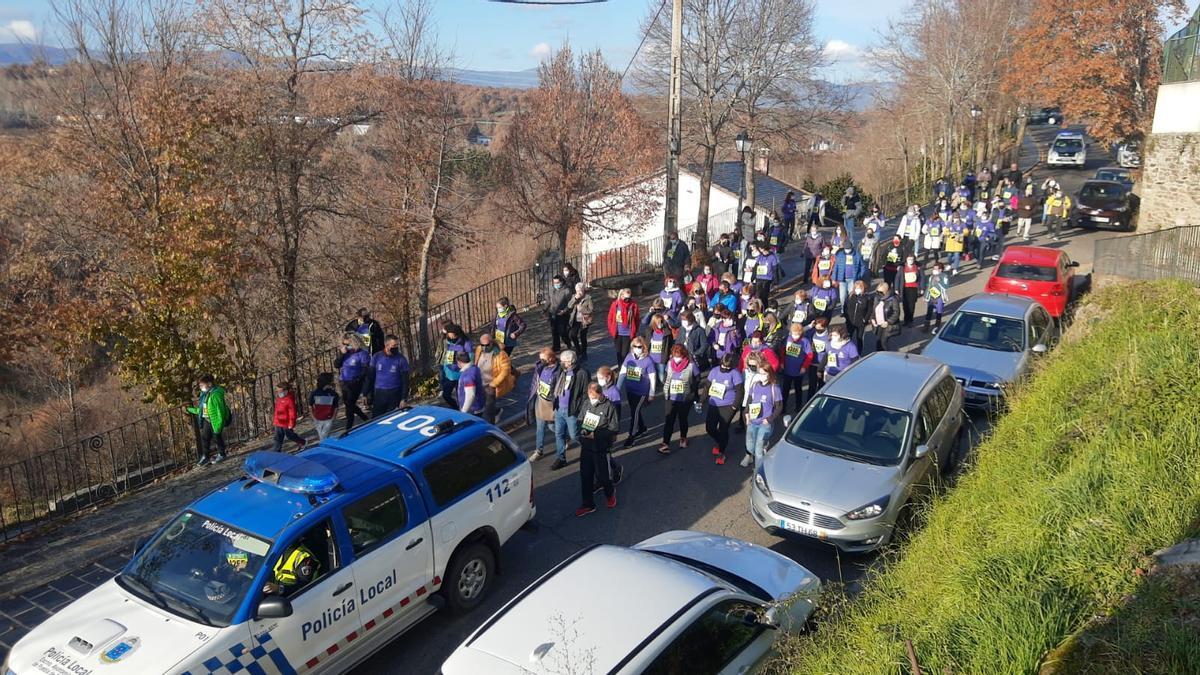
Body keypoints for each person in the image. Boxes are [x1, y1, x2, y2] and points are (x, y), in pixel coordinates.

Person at [575, 383, 621, 517]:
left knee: (603, 477)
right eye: (590, 396)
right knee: (585, 476)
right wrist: (583, 430)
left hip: (601, 448)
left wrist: (596, 435)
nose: (592, 399)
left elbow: (614, 428)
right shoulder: (586, 404)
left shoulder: (609, 407)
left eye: (594, 396)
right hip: (586, 447)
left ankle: (610, 494)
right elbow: (580, 420)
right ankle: (588, 504)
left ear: (600, 394)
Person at [550, 350, 589, 471]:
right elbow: (554, 385)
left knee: (574, 435)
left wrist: (579, 408)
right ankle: (561, 458)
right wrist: (553, 398)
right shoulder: (561, 371)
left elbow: (584, 393)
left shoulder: (581, 373)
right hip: (559, 409)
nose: (561, 363)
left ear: (570, 362)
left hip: (571, 410)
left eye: (564, 361)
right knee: (559, 434)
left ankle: (589, 447)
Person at [704, 353, 744, 465]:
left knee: (723, 428)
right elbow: (707, 386)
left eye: (728, 367)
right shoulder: (714, 371)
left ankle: (722, 452)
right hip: (714, 403)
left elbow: (740, 391)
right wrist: (702, 401)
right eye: (723, 366)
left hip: (728, 405)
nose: (725, 369)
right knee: (710, 428)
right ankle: (720, 441)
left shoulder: (735, 374)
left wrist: (734, 406)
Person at [616, 337, 657, 447]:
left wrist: (652, 393)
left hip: (641, 392)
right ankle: (642, 428)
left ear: (644, 347)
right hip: (630, 390)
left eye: (639, 347)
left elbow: (653, 378)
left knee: (634, 412)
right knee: (635, 410)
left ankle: (632, 435)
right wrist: (617, 389)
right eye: (634, 346)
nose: (637, 348)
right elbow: (622, 373)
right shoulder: (629, 357)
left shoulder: (648, 361)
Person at [659, 345, 700, 455]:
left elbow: (697, 378)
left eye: (679, 356)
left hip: (684, 398)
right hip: (671, 396)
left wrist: (692, 388)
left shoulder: (691, 365)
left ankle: (683, 438)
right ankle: (665, 443)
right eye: (675, 355)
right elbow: (667, 375)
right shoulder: (670, 363)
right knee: (669, 420)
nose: (676, 358)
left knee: (682, 418)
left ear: (683, 355)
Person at [742, 360, 782, 467]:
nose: (762, 376)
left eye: (764, 374)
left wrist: (770, 418)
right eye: (760, 373)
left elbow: (779, 407)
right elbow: (749, 400)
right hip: (752, 420)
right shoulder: (754, 385)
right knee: (750, 444)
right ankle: (750, 456)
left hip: (765, 422)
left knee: (759, 448)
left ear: (770, 374)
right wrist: (746, 414)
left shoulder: (774, 388)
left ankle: (757, 469)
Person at [188, 374, 230, 466]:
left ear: (209, 384)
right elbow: (203, 409)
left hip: (215, 420)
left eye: (202, 385)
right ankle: (205, 456)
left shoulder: (215, 395)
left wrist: (219, 423)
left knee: (217, 438)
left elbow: (220, 410)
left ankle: (222, 454)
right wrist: (191, 410)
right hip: (207, 419)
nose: (201, 387)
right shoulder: (205, 394)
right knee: (205, 438)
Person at [474, 332, 514, 424]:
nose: (484, 347)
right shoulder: (479, 349)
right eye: (482, 345)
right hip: (480, 382)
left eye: (486, 345)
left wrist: (494, 384)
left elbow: (505, 371)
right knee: (484, 404)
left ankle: (491, 427)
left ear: (491, 343)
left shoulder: (501, 354)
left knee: (488, 411)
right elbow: (476, 362)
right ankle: (496, 411)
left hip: (491, 385)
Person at [335, 333, 371, 432]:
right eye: (344, 344)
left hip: (355, 383)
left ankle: (349, 426)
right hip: (344, 381)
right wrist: (342, 354)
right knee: (348, 403)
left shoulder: (362, 354)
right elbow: (337, 365)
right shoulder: (345, 353)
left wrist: (359, 379)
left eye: (348, 344)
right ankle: (364, 418)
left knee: (350, 404)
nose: (346, 346)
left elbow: (365, 369)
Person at [368, 335, 409, 418]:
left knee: (392, 418)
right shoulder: (377, 357)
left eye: (397, 345)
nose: (396, 347)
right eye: (394, 346)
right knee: (376, 419)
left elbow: (405, 381)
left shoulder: (401, 359)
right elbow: (370, 376)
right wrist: (366, 393)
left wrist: (403, 398)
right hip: (379, 394)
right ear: (386, 345)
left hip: (394, 394)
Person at [529, 348, 559, 462]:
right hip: (540, 401)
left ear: (551, 359)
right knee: (540, 428)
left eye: (543, 359)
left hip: (550, 404)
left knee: (552, 426)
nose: (540, 361)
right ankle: (539, 451)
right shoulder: (541, 367)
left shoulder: (558, 371)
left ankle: (564, 437)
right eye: (540, 359)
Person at [781, 322, 813, 413]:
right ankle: (783, 407)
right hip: (788, 369)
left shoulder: (805, 341)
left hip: (799, 371)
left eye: (798, 334)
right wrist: (782, 363)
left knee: (798, 389)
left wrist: (804, 367)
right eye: (794, 334)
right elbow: (783, 352)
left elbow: (809, 355)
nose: (796, 336)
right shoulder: (787, 339)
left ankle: (798, 406)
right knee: (785, 390)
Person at [438, 324, 473, 408]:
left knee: (460, 397)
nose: (449, 337)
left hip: (460, 375)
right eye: (448, 335)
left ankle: (463, 411)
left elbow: (471, 359)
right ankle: (456, 408)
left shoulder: (466, 343)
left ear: (456, 334)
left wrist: (464, 371)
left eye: (450, 335)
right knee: (446, 395)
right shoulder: (448, 341)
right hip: (449, 374)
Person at [607, 287, 640, 364]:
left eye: (629, 298)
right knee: (618, 353)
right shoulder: (615, 304)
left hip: (627, 333)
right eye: (625, 298)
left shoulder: (633, 305)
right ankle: (620, 368)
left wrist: (634, 330)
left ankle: (623, 367)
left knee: (624, 353)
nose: (627, 300)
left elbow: (637, 319)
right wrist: (612, 330)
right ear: (621, 296)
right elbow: (610, 318)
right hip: (617, 333)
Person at [308, 372, 339, 441]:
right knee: (322, 435)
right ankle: (333, 439)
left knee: (323, 437)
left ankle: (324, 446)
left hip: (328, 419)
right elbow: (310, 406)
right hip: (317, 419)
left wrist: (333, 418)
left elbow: (336, 407)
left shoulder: (333, 394)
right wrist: (313, 417)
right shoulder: (314, 393)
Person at [843, 279, 873, 352]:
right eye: (856, 288)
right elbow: (845, 306)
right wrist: (846, 316)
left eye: (859, 288)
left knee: (859, 339)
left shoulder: (867, 298)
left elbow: (869, 310)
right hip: (850, 321)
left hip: (861, 322)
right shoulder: (850, 296)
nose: (857, 290)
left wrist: (865, 319)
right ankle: (847, 352)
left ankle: (859, 353)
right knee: (847, 338)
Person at [546, 274, 573, 353]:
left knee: (562, 331)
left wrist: (565, 310)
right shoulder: (552, 289)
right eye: (554, 283)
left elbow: (570, 303)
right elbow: (548, 299)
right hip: (553, 313)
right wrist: (545, 309)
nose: (556, 284)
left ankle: (568, 342)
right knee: (554, 331)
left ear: (561, 282)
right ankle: (556, 347)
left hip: (563, 314)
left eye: (557, 282)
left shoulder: (566, 291)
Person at [871, 282, 901, 352]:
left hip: (887, 325)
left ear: (886, 291)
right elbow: (874, 310)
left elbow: (896, 312)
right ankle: (879, 355)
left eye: (880, 292)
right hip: (879, 324)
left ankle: (886, 356)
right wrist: (872, 318)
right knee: (878, 341)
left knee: (883, 342)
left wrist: (888, 322)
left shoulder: (893, 299)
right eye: (877, 291)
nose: (878, 293)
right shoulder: (877, 298)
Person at [567, 282, 593, 361]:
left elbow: (591, 309)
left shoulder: (588, 298)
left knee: (583, 336)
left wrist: (581, 309)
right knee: (572, 335)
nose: (579, 292)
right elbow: (569, 306)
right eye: (577, 290)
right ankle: (578, 350)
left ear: (583, 290)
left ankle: (584, 352)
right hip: (575, 320)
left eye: (580, 290)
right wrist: (575, 298)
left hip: (584, 320)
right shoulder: (574, 296)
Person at [832, 240, 862, 308]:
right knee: (842, 297)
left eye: (849, 249)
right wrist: (834, 278)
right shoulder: (840, 255)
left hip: (852, 279)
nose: (847, 250)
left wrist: (860, 276)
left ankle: (850, 309)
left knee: (851, 296)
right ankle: (843, 310)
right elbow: (836, 266)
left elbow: (862, 267)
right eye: (846, 249)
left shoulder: (857, 255)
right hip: (842, 279)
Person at [456, 352, 485, 417]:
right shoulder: (475, 368)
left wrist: (463, 412)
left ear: (459, 362)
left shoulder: (467, 375)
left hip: (472, 410)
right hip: (478, 406)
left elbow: (470, 395)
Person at [923, 263, 950, 333]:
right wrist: (925, 296)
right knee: (929, 311)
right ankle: (926, 327)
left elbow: (946, 287)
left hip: (940, 297)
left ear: (940, 270)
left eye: (936, 269)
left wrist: (939, 281)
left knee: (939, 312)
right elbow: (929, 286)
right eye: (933, 269)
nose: (934, 270)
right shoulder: (931, 276)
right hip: (931, 296)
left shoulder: (944, 276)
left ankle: (936, 327)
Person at [897, 255, 923, 327]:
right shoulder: (902, 268)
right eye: (909, 259)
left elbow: (922, 278)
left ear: (914, 260)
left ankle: (910, 320)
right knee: (905, 305)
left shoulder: (918, 268)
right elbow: (897, 278)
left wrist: (922, 288)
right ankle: (906, 320)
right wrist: (896, 289)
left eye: (912, 259)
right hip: (905, 289)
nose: (910, 260)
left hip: (914, 289)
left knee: (911, 305)